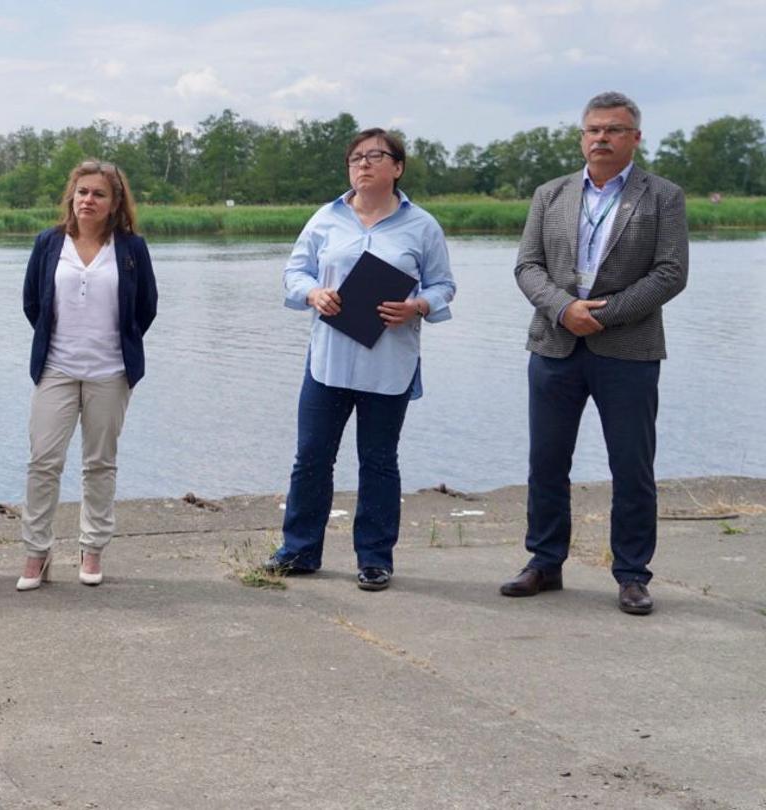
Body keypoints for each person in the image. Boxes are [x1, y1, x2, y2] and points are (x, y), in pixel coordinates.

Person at [503, 91, 688, 615]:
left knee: (632, 465)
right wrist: (565, 309)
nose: (601, 138)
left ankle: (632, 574)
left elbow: (671, 273)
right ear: (582, 137)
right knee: (546, 461)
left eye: (613, 130)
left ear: (634, 138)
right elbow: (527, 266)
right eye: (593, 130)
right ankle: (544, 562)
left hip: (628, 349)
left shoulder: (663, 196)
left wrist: (601, 314)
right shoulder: (550, 194)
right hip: (555, 344)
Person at [264, 128, 456, 592]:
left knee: (378, 462)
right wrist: (313, 292)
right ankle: (299, 551)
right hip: (329, 360)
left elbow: (443, 285)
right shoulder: (326, 218)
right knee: (311, 459)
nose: (363, 164)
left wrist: (417, 307)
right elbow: (295, 271)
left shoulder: (421, 225)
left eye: (375, 156)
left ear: (398, 167)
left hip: (389, 363)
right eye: (355, 157)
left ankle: (374, 559)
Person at [15, 160, 157, 591]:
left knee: (99, 464)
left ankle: (92, 548)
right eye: (81, 192)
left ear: (115, 203)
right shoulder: (48, 243)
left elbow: (145, 308)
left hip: (110, 372)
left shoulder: (131, 249)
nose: (88, 201)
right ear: (71, 198)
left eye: (98, 194)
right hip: (56, 368)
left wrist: (117, 346)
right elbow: (32, 305)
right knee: (43, 462)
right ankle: (36, 553)